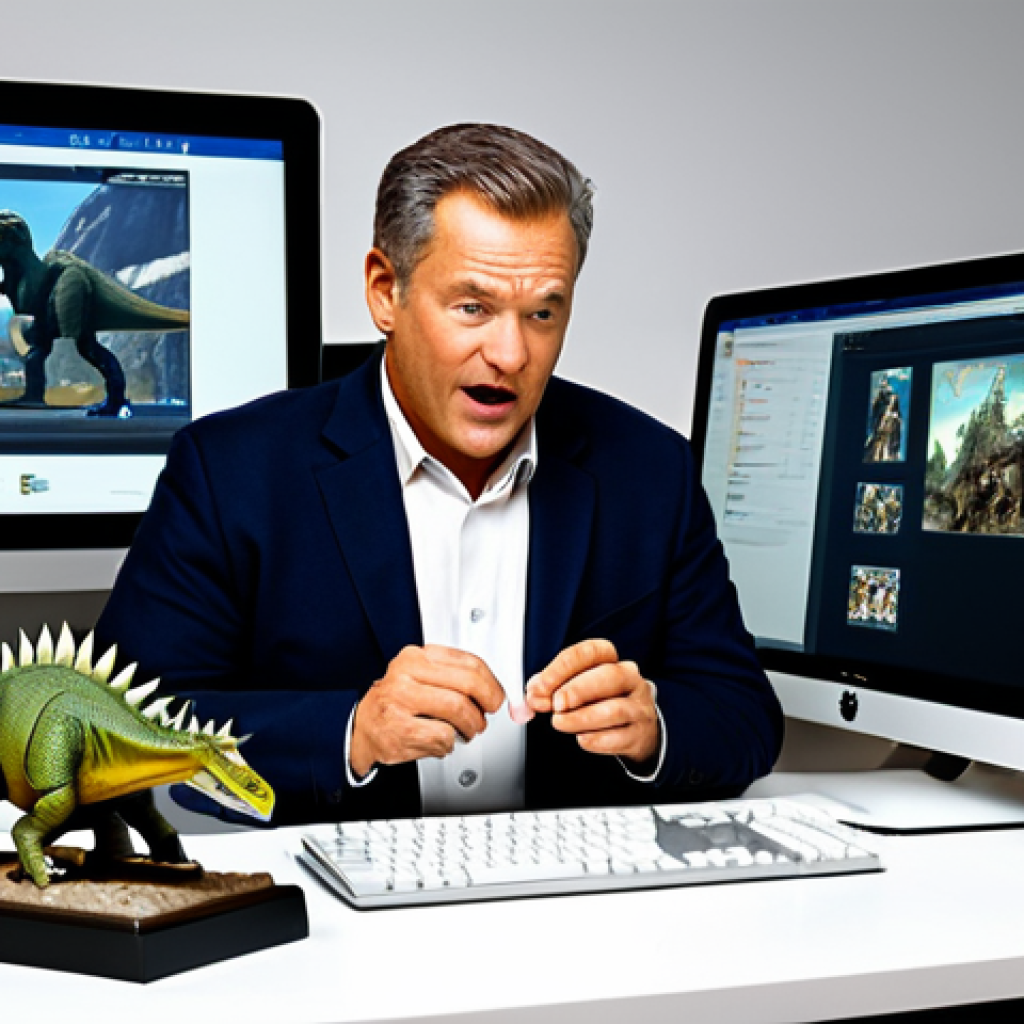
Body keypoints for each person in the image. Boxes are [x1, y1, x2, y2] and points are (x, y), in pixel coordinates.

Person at [96, 124, 783, 826]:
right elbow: (117, 731)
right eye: (473, 308)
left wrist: (653, 729)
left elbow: (743, 713)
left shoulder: (649, 470)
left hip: (579, 906)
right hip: (329, 914)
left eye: (543, 313)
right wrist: (350, 733)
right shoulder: (230, 470)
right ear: (384, 291)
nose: (511, 354)